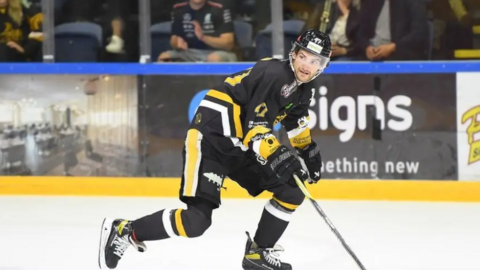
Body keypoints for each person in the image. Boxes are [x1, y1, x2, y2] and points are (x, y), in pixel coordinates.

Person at [98, 29, 331, 270]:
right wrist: (277, 154)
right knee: (195, 223)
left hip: (239, 146)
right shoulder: (274, 73)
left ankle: (257, 253)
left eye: (315, 61)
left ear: (323, 66)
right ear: (293, 54)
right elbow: (257, 127)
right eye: (303, 56)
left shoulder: (304, 89)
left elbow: (296, 123)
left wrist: (308, 152)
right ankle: (127, 230)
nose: (307, 65)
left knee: (291, 190)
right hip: (211, 138)